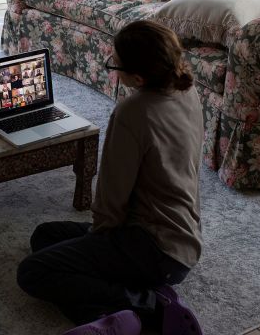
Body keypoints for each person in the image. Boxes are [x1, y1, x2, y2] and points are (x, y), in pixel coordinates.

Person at [16, 21, 204, 334]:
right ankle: (115, 314)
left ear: (139, 77)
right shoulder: (187, 91)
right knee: (44, 236)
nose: (113, 69)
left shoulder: (134, 111)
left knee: (33, 272)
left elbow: (110, 197)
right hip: (181, 240)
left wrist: (98, 239)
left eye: (114, 63)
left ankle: (149, 309)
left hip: (152, 246)